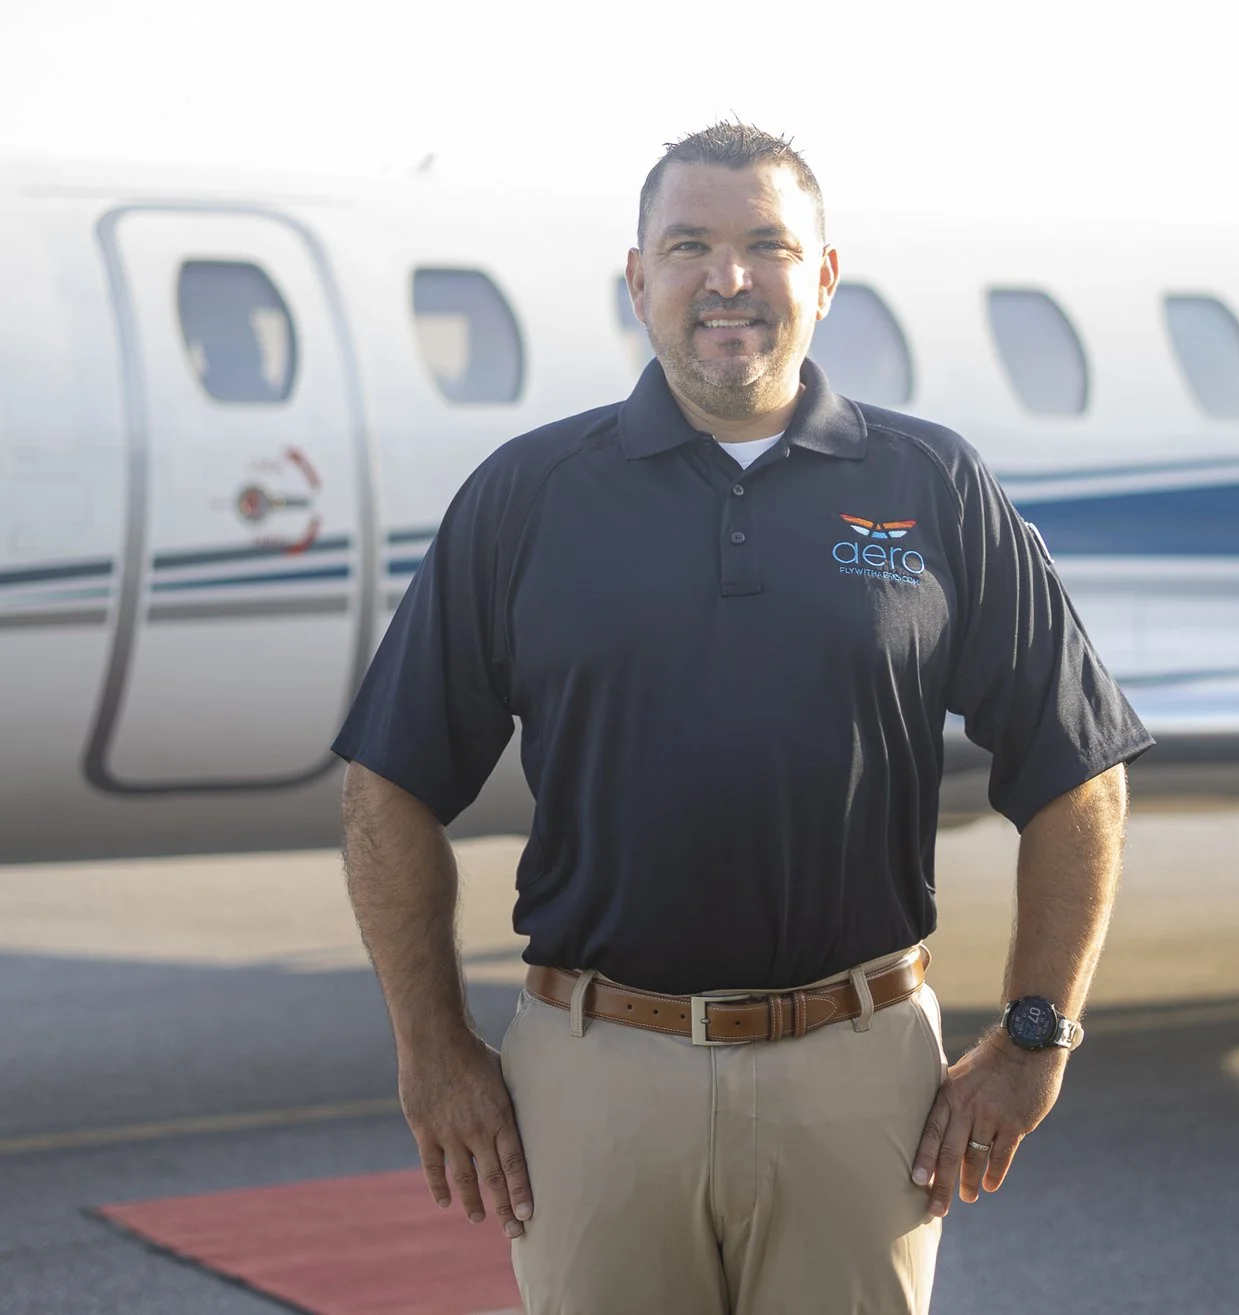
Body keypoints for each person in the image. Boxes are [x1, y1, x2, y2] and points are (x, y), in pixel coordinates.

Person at [334, 121, 1150, 1314]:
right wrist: (433, 1048)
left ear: (823, 277)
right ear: (638, 280)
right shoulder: (528, 495)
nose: (728, 277)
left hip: (861, 1077)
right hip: (594, 1078)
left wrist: (1036, 1033)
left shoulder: (931, 484)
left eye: (767, 245)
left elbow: (1078, 770)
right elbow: (388, 784)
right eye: (688, 246)